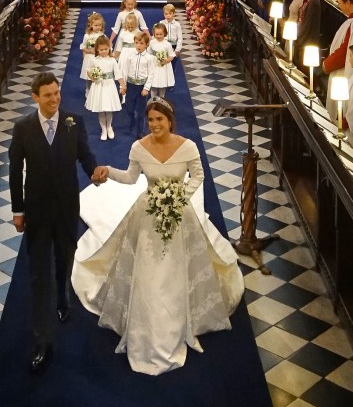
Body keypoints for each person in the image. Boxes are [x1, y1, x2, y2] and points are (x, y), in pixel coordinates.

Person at [72, 98, 245, 375]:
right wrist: (107, 172)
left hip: (179, 214)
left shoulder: (187, 147)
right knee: (148, 271)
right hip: (149, 214)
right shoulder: (139, 148)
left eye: (159, 120)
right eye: (150, 120)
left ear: (170, 121)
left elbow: (198, 176)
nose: (154, 125)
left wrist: (179, 197)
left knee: (179, 268)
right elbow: (131, 178)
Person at [9, 73, 103, 372]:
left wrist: (94, 172)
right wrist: (17, 210)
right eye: (47, 95)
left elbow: (84, 155)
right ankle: (42, 341)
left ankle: (63, 295)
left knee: (65, 258)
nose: (54, 99)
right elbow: (14, 171)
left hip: (65, 207)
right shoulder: (23, 128)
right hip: (36, 211)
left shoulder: (73, 122)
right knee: (39, 274)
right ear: (35, 97)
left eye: (57, 93)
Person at [85, 35, 124, 140]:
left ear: (109, 48)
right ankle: (103, 129)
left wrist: (122, 85)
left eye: (106, 49)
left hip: (109, 86)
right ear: (97, 49)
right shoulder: (93, 60)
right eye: (101, 49)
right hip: (98, 86)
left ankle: (109, 127)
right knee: (101, 109)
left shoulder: (112, 60)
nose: (104, 51)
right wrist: (92, 77)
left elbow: (118, 74)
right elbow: (88, 71)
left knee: (108, 109)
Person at [118, 31, 156, 138]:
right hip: (131, 85)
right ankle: (132, 120)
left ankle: (140, 130)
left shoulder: (149, 58)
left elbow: (151, 74)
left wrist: (146, 88)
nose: (138, 45)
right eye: (136, 43)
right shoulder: (130, 56)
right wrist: (123, 86)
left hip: (141, 87)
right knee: (129, 107)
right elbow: (124, 71)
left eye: (141, 43)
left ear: (147, 44)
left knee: (141, 110)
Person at [148, 22, 175, 98]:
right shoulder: (152, 42)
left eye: (161, 34)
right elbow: (148, 52)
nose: (159, 36)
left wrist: (167, 60)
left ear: (165, 34)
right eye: (157, 34)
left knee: (162, 83)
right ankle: (153, 98)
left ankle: (161, 98)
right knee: (153, 83)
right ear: (154, 34)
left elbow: (171, 55)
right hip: (154, 65)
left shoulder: (167, 44)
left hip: (163, 66)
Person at [80, 12, 106, 90]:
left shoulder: (102, 36)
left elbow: (106, 46)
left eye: (100, 25)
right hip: (90, 58)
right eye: (96, 25)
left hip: (99, 58)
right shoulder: (87, 36)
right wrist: (89, 51)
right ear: (91, 25)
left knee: (99, 75)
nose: (98, 27)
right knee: (90, 76)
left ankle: (97, 91)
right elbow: (83, 47)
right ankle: (88, 90)